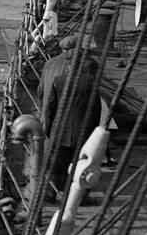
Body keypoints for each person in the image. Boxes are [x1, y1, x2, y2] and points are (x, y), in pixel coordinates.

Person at [40, 40, 102, 202]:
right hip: (83, 131)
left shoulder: (59, 80)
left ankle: (50, 194)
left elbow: (50, 108)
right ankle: (78, 197)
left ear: (69, 66)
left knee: (55, 165)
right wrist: (94, 131)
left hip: (60, 130)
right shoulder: (90, 82)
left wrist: (49, 128)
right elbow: (96, 109)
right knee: (79, 166)